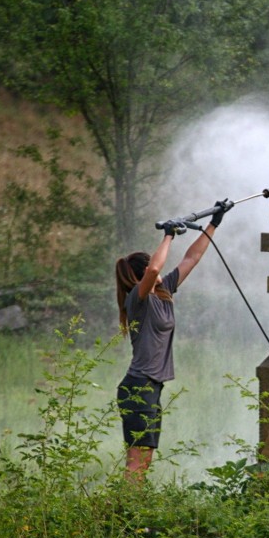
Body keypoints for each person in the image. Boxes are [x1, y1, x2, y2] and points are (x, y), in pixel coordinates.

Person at [114, 200, 231, 483]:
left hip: (151, 386)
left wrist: (214, 223)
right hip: (138, 386)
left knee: (145, 461)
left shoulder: (164, 291)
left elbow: (191, 259)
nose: (157, 273)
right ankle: (123, 519)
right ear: (141, 275)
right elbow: (154, 270)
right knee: (136, 462)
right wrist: (168, 235)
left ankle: (132, 515)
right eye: (150, 271)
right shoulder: (137, 299)